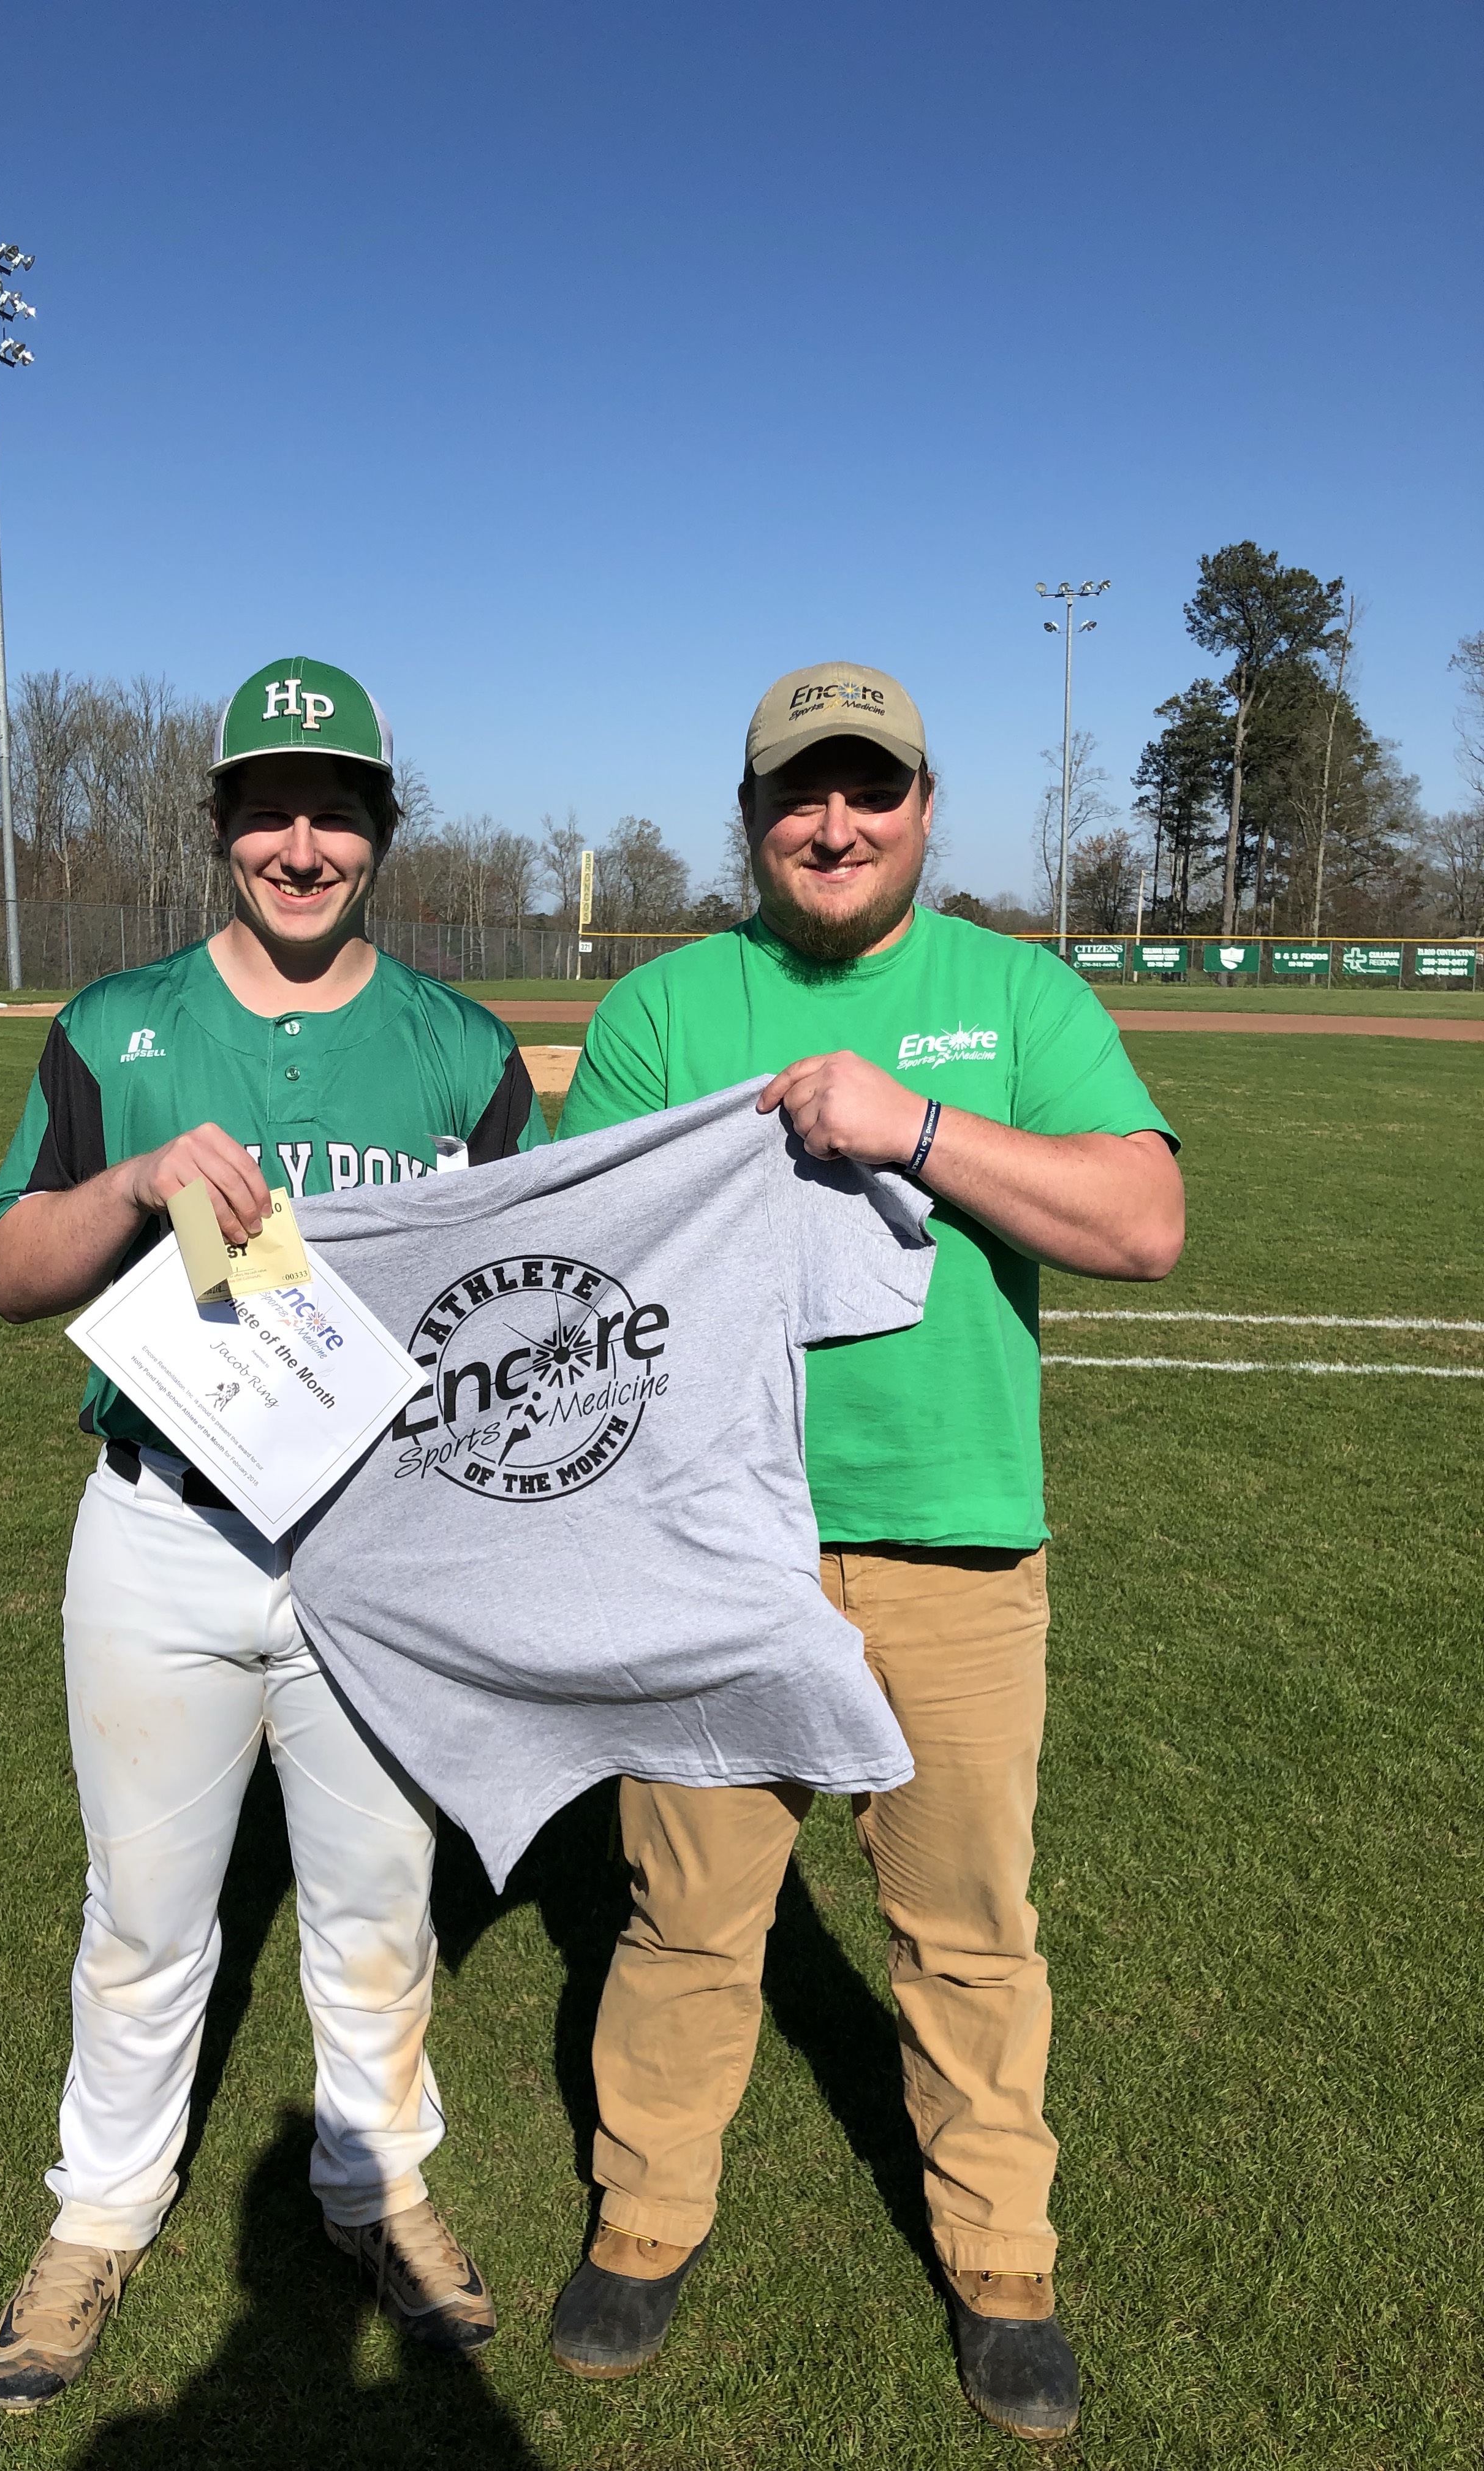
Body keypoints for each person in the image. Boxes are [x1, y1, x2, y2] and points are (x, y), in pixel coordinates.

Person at [549, 662, 1184, 2440]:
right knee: (686, 1922)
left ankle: (1004, 2264)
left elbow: (1145, 1222)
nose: (834, 825)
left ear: (921, 806)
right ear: (751, 820)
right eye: (796, 795)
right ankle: (647, 2217)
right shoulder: (670, 1010)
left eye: (869, 790)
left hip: (961, 1555)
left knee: (970, 1932)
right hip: (714, 1556)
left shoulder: (1017, 993)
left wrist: (910, 1127)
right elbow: (581, 1268)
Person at [0, 657, 545, 2413]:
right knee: (147, 1915)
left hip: (375, 1548)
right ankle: (102, 2212)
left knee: (378, 1904)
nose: (302, 844)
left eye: (337, 809)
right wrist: (136, 1188)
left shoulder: (458, 1045)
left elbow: (530, 1299)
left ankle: (377, 2187)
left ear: (380, 827)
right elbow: (10, 1271)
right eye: (268, 808)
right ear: (223, 823)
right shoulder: (116, 1023)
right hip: (162, 1526)